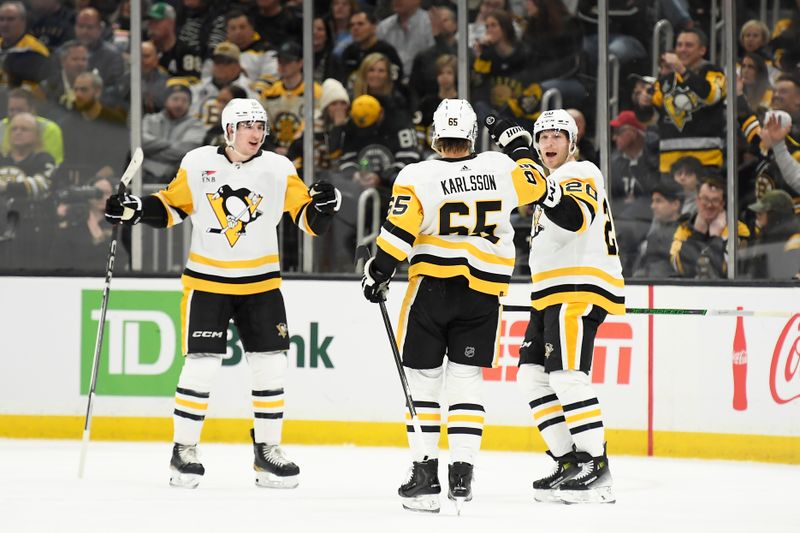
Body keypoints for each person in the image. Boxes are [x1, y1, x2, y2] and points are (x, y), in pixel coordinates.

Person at [104, 98, 342, 489]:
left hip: (261, 285)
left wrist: (327, 206)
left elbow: (309, 221)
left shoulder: (280, 168)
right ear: (229, 130)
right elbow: (170, 207)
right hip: (207, 283)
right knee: (202, 365)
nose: (256, 132)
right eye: (247, 125)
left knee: (271, 365)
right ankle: (184, 451)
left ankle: (267, 452)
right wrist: (132, 209)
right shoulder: (198, 163)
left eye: (260, 125)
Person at [360, 99, 549, 513]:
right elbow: (537, 184)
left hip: (431, 291)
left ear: (435, 134)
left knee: (423, 384)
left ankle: (425, 478)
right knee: (466, 382)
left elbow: (397, 235)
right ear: (471, 135)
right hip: (482, 292)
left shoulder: (416, 174)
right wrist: (517, 145)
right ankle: (461, 476)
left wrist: (377, 274)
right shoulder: (500, 168)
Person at [486, 109, 625, 504]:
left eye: (556, 137)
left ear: (572, 142)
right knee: (532, 377)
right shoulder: (554, 180)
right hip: (549, 292)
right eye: (542, 138)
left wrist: (523, 156)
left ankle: (596, 467)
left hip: (577, 287)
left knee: (566, 375)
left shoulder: (581, 172)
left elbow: (574, 218)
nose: (548, 144)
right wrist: (520, 159)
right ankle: (568, 461)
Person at [670, 178, 750, 279]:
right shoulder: (683, 229)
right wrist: (697, 234)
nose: (709, 205)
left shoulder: (738, 230)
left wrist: (715, 237)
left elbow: (722, 270)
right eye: (705, 199)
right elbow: (681, 267)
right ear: (698, 201)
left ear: (722, 204)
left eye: (715, 200)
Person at [739, 189, 800, 280]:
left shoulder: (794, 241)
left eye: (761, 212)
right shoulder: (768, 236)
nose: (757, 215)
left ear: (775, 215)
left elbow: (785, 279)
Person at [634, 180, 683, 277]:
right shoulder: (652, 231)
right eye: (653, 201)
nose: (653, 206)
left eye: (658, 201)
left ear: (675, 205)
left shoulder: (685, 234)